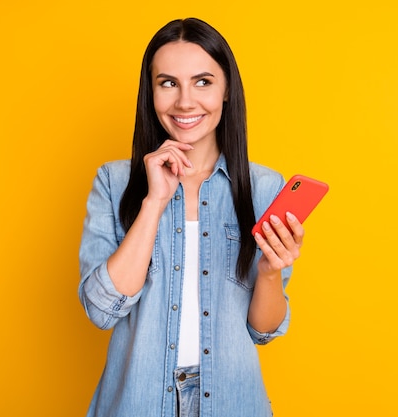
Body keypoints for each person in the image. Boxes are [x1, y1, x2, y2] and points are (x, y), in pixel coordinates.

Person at [79, 18, 307, 417]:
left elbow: (263, 331)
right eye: (168, 83)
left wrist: (271, 270)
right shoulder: (114, 182)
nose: (185, 102)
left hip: (233, 403)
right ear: (150, 93)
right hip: (137, 402)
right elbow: (101, 310)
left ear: (227, 91)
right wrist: (154, 202)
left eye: (203, 81)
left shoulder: (264, 187)